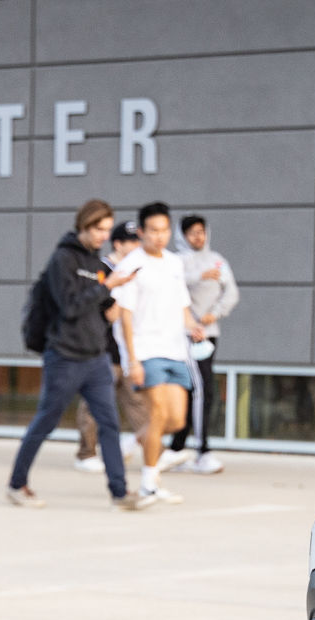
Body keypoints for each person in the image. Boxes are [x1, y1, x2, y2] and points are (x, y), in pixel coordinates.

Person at [6, 200, 154, 511]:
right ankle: (17, 484)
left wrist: (114, 300)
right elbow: (70, 306)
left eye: (106, 229)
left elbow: (98, 310)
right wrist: (107, 286)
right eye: (98, 229)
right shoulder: (64, 259)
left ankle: (120, 493)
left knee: (109, 424)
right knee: (45, 421)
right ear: (84, 227)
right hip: (64, 356)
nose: (104, 235)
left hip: (96, 358)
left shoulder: (98, 264)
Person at [112, 202, 206, 503]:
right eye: (153, 231)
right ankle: (149, 483)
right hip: (146, 349)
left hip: (176, 350)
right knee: (158, 413)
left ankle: (133, 441)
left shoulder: (174, 263)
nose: (159, 236)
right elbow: (125, 316)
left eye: (164, 230)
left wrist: (193, 326)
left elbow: (182, 306)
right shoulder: (131, 265)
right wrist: (132, 359)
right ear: (141, 232)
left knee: (177, 421)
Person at [167, 214, 240, 474]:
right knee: (200, 390)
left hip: (208, 334)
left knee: (195, 390)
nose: (198, 237)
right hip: (185, 334)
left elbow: (231, 292)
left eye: (201, 231)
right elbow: (170, 287)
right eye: (192, 232)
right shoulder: (176, 262)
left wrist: (215, 313)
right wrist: (199, 275)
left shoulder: (218, 260)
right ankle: (201, 450)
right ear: (183, 235)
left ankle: (176, 449)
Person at [74, 220, 148, 473]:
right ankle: (86, 453)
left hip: (128, 351)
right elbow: (111, 314)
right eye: (132, 242)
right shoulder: (101, 270)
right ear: (118, 244)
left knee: (138, 401)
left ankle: (151, 451)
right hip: (102, 349)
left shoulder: (139, 270)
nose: (138, 246)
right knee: (94, 404)